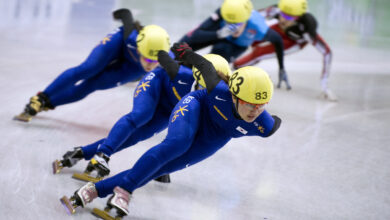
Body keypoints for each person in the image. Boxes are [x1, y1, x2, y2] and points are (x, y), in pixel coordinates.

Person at [59, 43, 281, 219]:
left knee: (161, 168)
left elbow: (272, 121)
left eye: (261, 105)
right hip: (194, 107)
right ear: (233, 95)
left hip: (214, 136)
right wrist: (185, 52)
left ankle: (93, 191)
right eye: (249, 103)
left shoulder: (264, 125)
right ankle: (124, 191)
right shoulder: (217, 89)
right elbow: (204, 66)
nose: (255, 110)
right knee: (177, 143)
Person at [52, 51, 232, 184]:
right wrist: (176, 54)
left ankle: (81, 152)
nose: (208, 92)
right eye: (203, 86)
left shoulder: (223, 98)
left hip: (168, 107)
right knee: (140, 115)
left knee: (137, 136)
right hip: (154, 85)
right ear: (196, 76)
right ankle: (103, 154)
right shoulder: (181, 74)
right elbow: (161, 55)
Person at [14, 9, 171, 122]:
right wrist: (121, 14)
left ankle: (46, 104)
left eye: (157, 61)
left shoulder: (166, 58)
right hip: (118, 44)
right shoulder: (130, 36)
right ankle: (40, 97)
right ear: (138, 49)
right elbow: (126, 15)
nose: (151, 66)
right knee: (88, 69)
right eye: (149, 60)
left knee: (93, 85)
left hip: (132, 66)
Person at [234, 0, 336, 100]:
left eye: (288, 17)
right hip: (279, 29)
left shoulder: (307, 28)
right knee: (252, 35)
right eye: (282, 14)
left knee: (260, 52)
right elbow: (252, 15)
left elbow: (327, 52)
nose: (282, 19)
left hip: (293, 42)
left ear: (298, 17)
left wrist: (324, 83)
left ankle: (235, 67)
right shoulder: (277, 9)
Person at [179, 0, 288, 85]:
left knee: (218, 55)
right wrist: (218, 34)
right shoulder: (223, 13)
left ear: (246, 20)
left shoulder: (258, 27)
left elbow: (278, 41)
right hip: (221, 35)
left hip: (237, 45)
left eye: (237, 24)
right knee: (182, 48)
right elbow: (192, 36)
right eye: (229, 24)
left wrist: (281, 68)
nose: (234, 29)